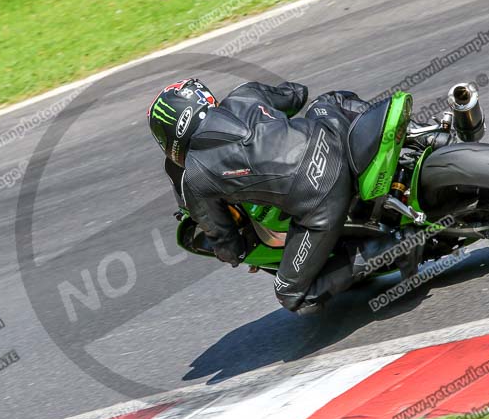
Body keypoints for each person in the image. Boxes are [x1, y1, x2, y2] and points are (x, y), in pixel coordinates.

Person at [147, 78, 377, 313]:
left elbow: (227, 244)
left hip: (319, 197)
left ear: (170, 133)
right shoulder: (244, 94)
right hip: (332, 138)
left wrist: (239, 254)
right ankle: (408, 133)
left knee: (290, 295)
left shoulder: (195, 177)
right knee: (328, 101)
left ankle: (389, 247)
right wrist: (265, 115)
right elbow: (297, 93)